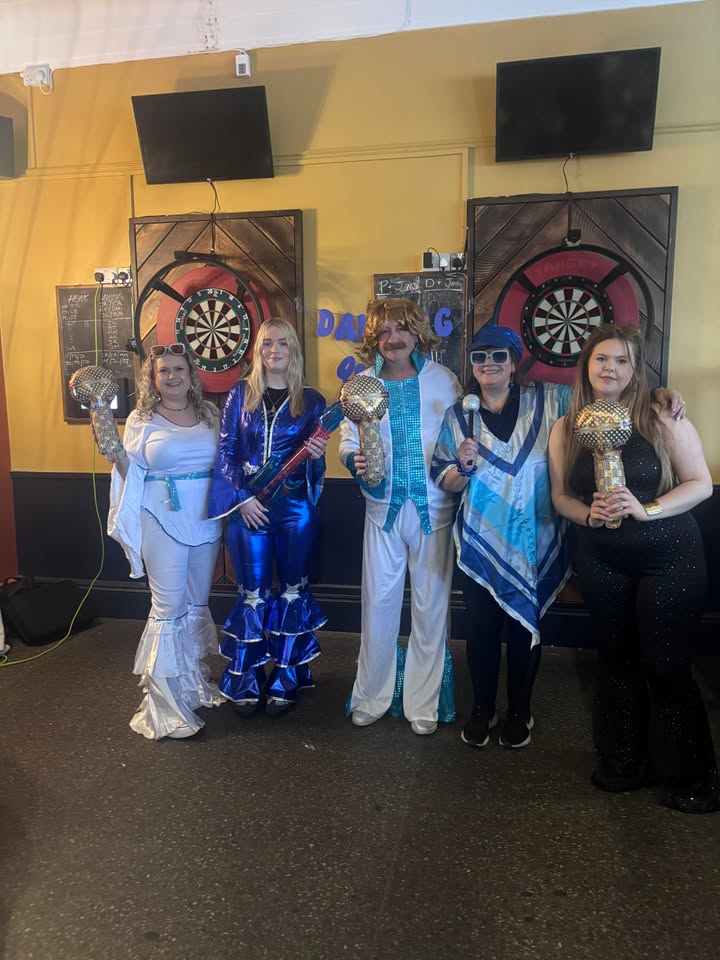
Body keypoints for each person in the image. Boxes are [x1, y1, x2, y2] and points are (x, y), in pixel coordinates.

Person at [548, 325, 718, 814]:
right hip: (602, 557)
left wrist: (649, 509)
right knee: (616, 660)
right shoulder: (566, 427)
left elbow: (700, 483)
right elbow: (561, 496)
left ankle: (689, 775)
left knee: (666, 664)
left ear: (635, 369)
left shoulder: (661, 414)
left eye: (622, 361)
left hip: (670, 554)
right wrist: (588, 514)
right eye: (602, 359)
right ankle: (625, 762)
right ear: (587, 365)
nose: (611, 368)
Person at [431, 326, 574, 749]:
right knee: (481, 631)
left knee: (524, 627)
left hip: (536, 536)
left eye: (498, 356)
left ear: (514, 362)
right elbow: (445, 480)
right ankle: (482, 707)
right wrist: (462, 466)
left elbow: (602, 404)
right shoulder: (458, 417)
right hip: (480, 541)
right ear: (471, 365)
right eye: (479, 357)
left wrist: (657, 397)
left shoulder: (551, 400)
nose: (488, 364)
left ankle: (520, 710)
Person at [339, 298, 462, 736]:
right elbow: (347, 440)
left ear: (417, 333)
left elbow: (459, 435)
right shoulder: (360, 384)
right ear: (374, 339)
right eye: (384, 331)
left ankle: (424, 701)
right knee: (378, 605)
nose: (393, 339)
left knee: (432, 608)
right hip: (382, 511)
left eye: (402, 329)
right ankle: (373, 695)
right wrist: (352, 459)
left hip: (435, 510)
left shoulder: (443, 380)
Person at [208, 319, 328, 717]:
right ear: (258, 350)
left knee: (293, 591)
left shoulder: (312, 401)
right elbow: (226, 451)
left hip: (294, 510)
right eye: (267, 343)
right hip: (249, 509)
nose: (274, 350)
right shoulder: (239, 394)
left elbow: (315, 465)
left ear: (294, 350)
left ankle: (287, 676)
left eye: (283, 343)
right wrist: (241, 499)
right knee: (253, 594)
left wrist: (316, 457)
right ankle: (246, 677)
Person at [108, 343, 223, 740]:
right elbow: (131, 471)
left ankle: (189, 687)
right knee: (169, 609)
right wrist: (112, 449)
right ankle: (165, 707)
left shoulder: (209, 414)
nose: (172, 376)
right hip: (160, 517)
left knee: (195, 605)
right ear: (153, 378)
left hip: (205, 520)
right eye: (163, 371)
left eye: (179, 369)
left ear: (191, 374)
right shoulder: (141, 418)